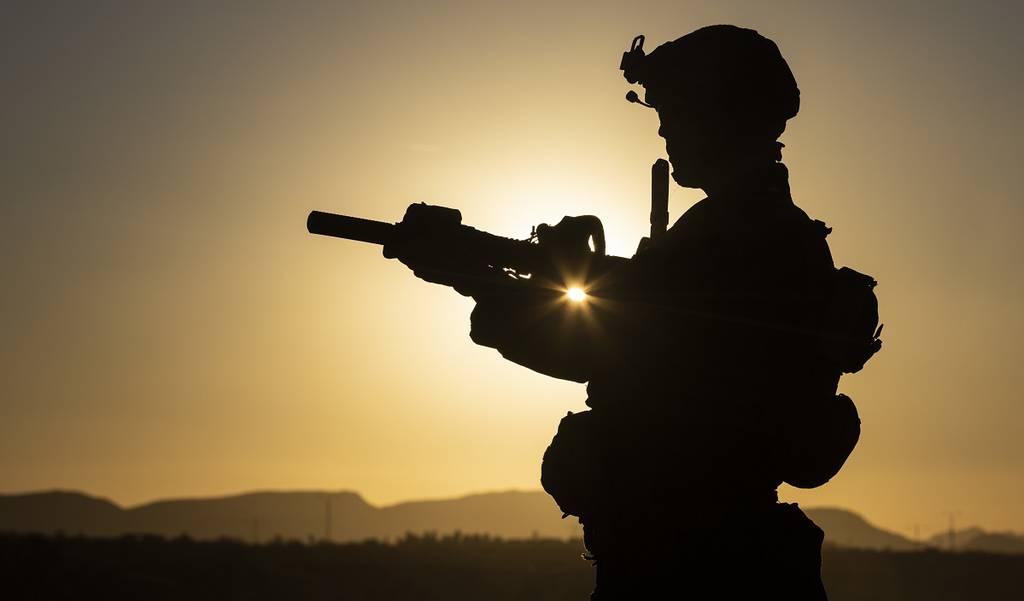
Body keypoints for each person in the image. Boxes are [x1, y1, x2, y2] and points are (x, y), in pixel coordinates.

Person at [391, 24, 880, 600]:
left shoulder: (740, 236)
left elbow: (603, 345)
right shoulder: (751, 231)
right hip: (710, 549)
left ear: (721, 115)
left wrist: (474, 281)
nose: (665, 126)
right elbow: (635, 320)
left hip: (697, 563)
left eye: (676, 108)